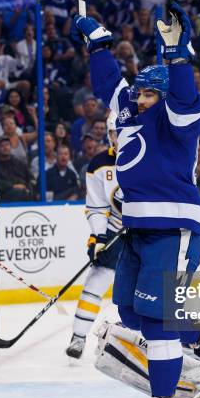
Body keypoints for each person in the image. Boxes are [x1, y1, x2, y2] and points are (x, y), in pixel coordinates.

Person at [71, 4, 200, 398]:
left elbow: (186, 97)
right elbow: (109, 84)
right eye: (139, 92)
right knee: (130, 311)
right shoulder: (130, 113)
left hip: (172, 230)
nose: (139, 97)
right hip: (135, 229)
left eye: (149, 93)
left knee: (156, 321)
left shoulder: (176, 120)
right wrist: (97, 43)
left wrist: (177, 56)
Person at [65, 112, 124, 359]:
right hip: (115, 230)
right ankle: (78, 337)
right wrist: (99, 236)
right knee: (95, 282)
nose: (120, 138)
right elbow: (98, 207)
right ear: (109, 136)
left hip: (147, 232)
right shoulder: (100, 164)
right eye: (115, 133)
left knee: (146, 290)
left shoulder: (151, 158)